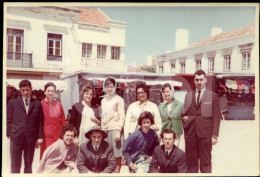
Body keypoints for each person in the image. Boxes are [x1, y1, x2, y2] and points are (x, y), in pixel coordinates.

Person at [182, 70, 221, 173]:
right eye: (197, 80)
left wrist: (214, 135)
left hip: (205, 135)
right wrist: (184, 119)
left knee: (206, 163)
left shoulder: (213, 96)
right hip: (191, 135)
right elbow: (184, 112)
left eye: (201, 79)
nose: (199, 82)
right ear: (194, 81)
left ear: (205, 80)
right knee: (191, 163)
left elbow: (217, 117)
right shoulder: (188, 95)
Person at [7, 79, 44, 173]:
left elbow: (40, 121)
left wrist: (40, 137)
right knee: (15, 165)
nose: (25, 92)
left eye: (27, 89)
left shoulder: (37, 103)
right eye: (23, 90)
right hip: (15, 138)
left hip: (30, 139)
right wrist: (9, 133)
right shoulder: (12, 103)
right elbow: (8, 120)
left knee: (28, 165)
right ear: (20, 90)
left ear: (31, 89)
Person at [101, 77, 125, 173]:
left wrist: (119, 131)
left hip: (115, 128)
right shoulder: (103, 100)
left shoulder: (119, 99)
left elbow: (122, 116)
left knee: (117, 152)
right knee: (107, 152)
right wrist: (102, 129)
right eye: (107, 86)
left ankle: (117, 171)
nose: (109, 89)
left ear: (115, 87)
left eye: (111, 86)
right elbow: (103, 116)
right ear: (105, 87)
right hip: (105, 130)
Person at [40, 82, 66, 159]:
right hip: (46, 137)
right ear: (45, 92)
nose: (50, 93)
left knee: (58, 158)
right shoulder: (40, 104)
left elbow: (63, 120)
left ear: (54, 92)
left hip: (58, 137)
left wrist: (64, 134)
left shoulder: (58, 104)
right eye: (48, 91)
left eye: (52, 91)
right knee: (48, 158)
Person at [158, 83, 183, 147]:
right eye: (164, 92)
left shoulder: (180, 105)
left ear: (172, 92)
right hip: (165, 135)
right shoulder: (160, 107)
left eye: (167, 91)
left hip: (176, 135)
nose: (166, 93)